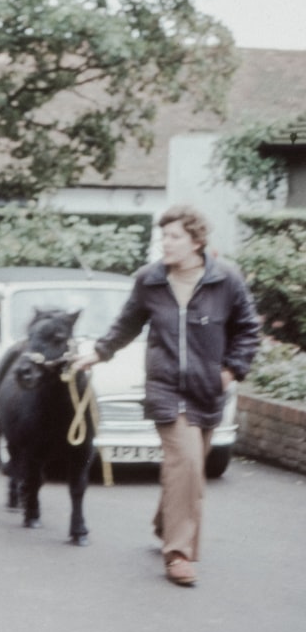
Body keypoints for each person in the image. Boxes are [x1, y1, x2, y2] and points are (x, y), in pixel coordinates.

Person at [73, 205, 259, 586]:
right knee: (187, 464)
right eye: (164, 237)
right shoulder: (151, 280)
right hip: (166, 387)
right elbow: (126, 324)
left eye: (174, 237)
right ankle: (178, 552)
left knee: (188, 470)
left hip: (208, 390)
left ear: (196, 240)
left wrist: (230, 371)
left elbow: (248, 330)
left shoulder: (226, 280)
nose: (166, 244)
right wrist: (97, 354)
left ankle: (165, 521)